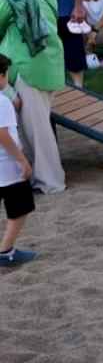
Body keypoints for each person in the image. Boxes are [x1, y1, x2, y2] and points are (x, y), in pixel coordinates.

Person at [0, 0, 65, 194]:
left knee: (36, 131)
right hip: (50, 64)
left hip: (26, 68)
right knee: (35, 125)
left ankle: (50, 182)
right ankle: (35, 176)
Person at [0, 53, 35, 267]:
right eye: (6, 75)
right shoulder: (2, 102)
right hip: (7, 164)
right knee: (20, 208)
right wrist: (22, 159)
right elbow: (2, 134)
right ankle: (5, 250)